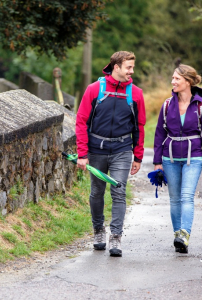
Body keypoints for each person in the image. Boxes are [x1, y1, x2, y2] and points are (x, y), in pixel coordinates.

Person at [76, 51, 146, 257]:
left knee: (118, 191)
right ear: (116, 67)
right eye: (128, 68)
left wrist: (138, 156)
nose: (131, 72)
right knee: (97, 192)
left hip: (121, 150)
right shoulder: (94, 89)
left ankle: (116, 236)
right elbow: (81, 122)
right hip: (96, 150)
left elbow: (139, 126)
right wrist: (82, 153)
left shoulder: (136, 93)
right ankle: (98, 231)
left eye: (132, 67)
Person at [153, 64, 202, 254]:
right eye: (172, 78)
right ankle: (177, 236)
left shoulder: (199, 105)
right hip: (169, 158)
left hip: (194, 157)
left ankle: (184, 235)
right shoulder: (167, 105)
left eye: (177, 79)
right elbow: (159, 134)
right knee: (174, 199)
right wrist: (157, 162)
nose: (172, 82)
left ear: (188, 82)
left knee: (187, 196)